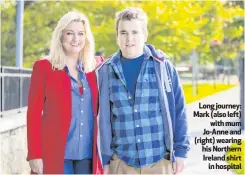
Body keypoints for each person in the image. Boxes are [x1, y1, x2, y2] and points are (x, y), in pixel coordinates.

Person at [96, 7, 190, 174]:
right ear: (117, 36)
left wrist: (181, 151)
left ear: (144, 35)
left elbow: (179, 109)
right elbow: (103, 119)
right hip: (122, 163)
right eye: (123, 32)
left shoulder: (162, 66)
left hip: (159, 161)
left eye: (135, 32)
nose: (129, 38)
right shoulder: (105, 71)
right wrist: (105, 159)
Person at [26, 11, 103, 174]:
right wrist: (34, 154)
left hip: (88, 155)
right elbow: (33, 113)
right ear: (61, 36)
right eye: (70, 33)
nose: (76, 39)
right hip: (56, 154)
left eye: (81, 34)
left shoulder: (94, 69)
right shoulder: (44, 68)